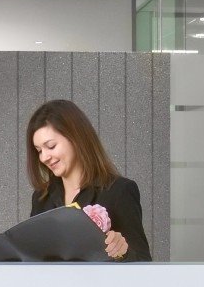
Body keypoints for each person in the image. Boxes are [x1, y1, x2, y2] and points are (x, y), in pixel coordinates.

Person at [25, 98, 152, 261]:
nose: (44, 157)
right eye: (39, 151)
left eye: (51, 146)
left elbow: (143, 262)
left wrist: (123, 252)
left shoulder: (119, 191)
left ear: (75, 137)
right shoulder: (41, 198)